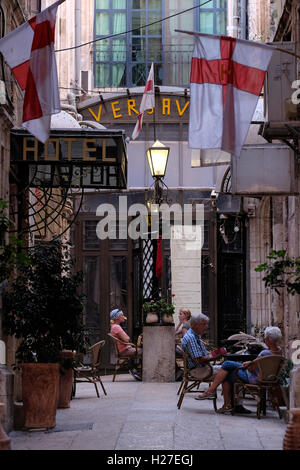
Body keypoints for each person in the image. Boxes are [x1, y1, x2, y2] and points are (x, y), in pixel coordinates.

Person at [195, 326, 283, 414]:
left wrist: (247, 364)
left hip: (254, 378)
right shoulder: (279, 351)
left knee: (227, 365)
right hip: (270, 378)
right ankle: (227, 404)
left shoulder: (264, 353)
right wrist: (250, 362)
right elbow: (258, 365)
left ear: (267, 339)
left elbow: (251, 368)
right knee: (227, 373)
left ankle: (212, 392)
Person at [110, 308, 142, 381]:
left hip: (125, 349)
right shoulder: (116, 327)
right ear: (117, 317)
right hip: (125, 350)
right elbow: (127, 339)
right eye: (122, 315)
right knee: (144, 351)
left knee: (141, 350)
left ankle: (135, 370)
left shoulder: (114, 327)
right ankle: (137, 371)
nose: (123, 316)